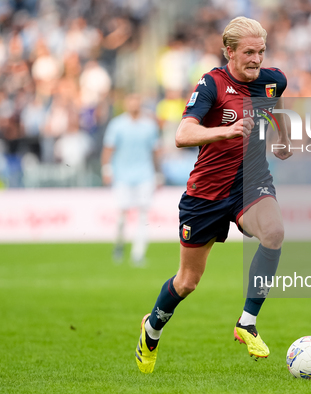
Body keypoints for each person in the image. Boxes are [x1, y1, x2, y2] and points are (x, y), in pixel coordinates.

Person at [135, 16, 292, 373]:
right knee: (187, 282)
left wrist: (281, 138)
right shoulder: (211, 84)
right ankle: (152, 329)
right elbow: (182, 134)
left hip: (250, 182)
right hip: (206, 194)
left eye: (261, 52)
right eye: (249, 52)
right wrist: (227, 131)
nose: (256, 59)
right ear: (230, 52)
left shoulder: (273, 80)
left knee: (274, 233)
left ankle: (247, 322)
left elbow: (275, 104)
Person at [101, 93, 161, 265]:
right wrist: (106, 169)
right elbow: (108, 148)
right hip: (122, 175)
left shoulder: (149, 125)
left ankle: (138, 254)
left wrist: (158, 173)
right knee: (121, 215)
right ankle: (119, 245)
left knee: (143, 215)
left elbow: (155, 150)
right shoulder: (117, 124)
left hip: (145, 175)